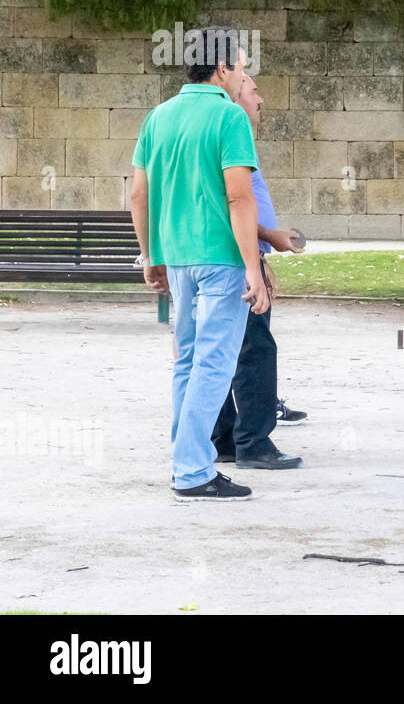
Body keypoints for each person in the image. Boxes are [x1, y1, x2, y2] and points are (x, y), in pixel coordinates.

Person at [130, 27, 270, 502]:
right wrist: (254, 268)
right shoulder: (229, 118)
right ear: (222, 68)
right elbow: (238, 195)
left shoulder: (158, 117)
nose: (244, 76)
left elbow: (138, 194)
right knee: (213, 362)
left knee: (187, 362)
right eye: (242, 67)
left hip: (178, 259)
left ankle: (186, 462)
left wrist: (151, 257)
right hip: (220, 259)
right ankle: (191, 471)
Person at [210, 74, 308, 469]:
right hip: (236, 260)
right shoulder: (231, 136)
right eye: (253, 90)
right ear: (235, 96)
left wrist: (263, 251)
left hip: (237, 256)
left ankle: (227, 439)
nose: (261, 99)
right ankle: (253, 443)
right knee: (254, 351)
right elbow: (232, 202)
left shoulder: (233, 138)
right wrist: (265, 248)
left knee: (225, 349)